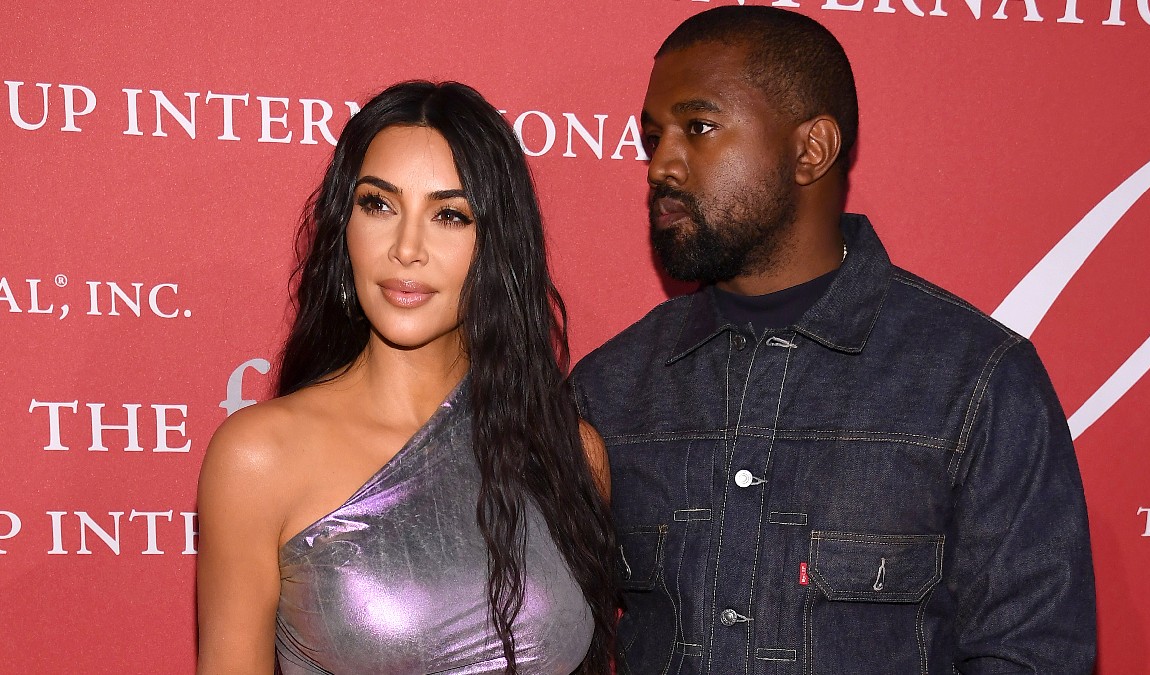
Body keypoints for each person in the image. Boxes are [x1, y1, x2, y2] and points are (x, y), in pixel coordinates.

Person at [570, 6, 1096, 674]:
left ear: (810, 150)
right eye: (653, 137)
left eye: (698, 128)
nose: (660, 166)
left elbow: (1033, 653)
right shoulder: (609, 388)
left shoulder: (977, 380)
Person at [197, 80, 617, 675]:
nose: (406, 248)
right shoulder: (260, 458)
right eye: (379, 205)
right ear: (344, 227)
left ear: (497, 245)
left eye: (449, 215)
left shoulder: (569, 455)